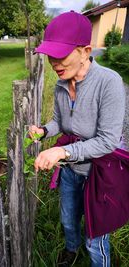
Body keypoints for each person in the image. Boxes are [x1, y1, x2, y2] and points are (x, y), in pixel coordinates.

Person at [30, 11, 126, 267]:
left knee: (96, 238)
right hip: (71, 171)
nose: (54, 63)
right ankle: (71, 251)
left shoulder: (109, 82)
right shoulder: (61, 84)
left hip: (100, 172)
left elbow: (107, 141)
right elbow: (60, 122)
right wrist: (43, 130)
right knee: (68, 219)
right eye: (50, 55)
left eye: (60, 55)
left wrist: (61, 152)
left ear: (85, 51)